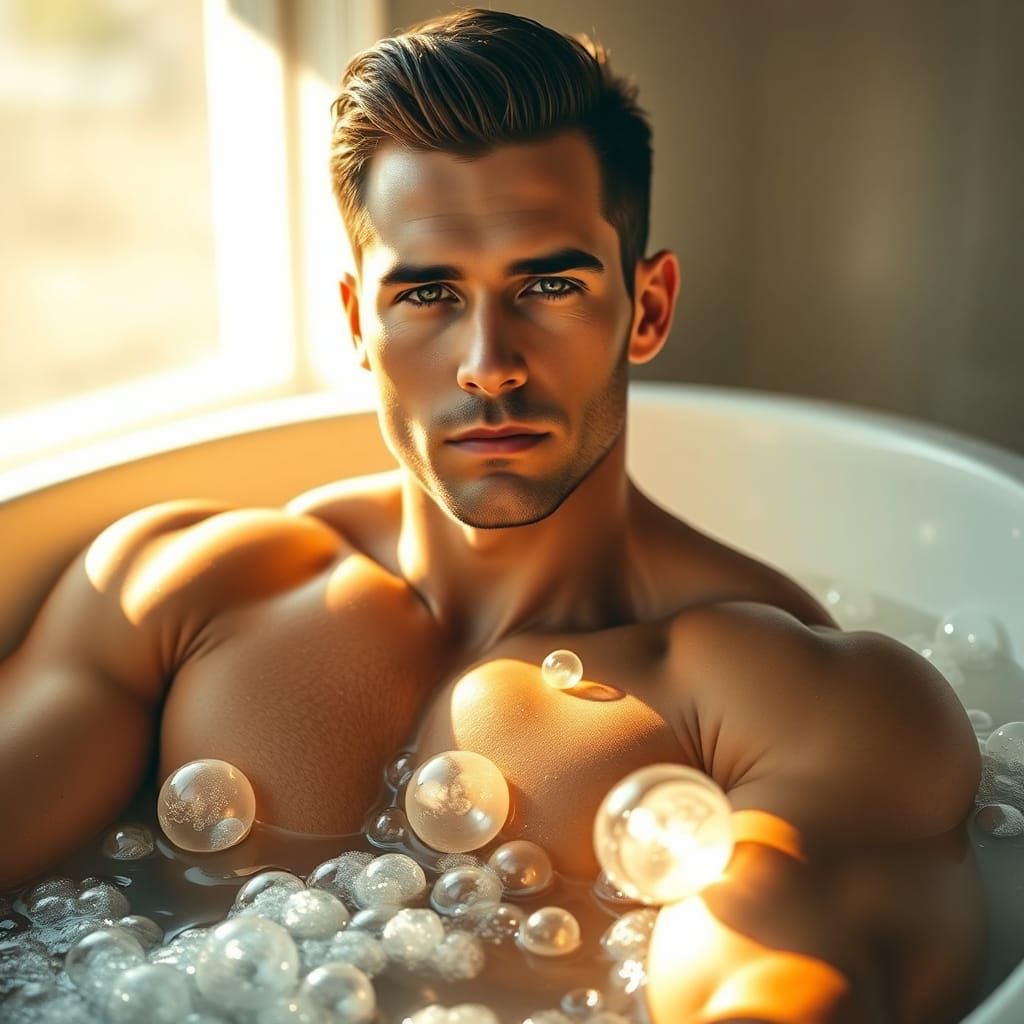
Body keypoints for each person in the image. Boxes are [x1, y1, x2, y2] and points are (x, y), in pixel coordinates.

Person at [0, 8, 984, 1022]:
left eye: (548, 284)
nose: (487, 364)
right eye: (426, 293)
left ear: (644, 308)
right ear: (356, 324)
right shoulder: (182, 594)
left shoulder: (789, 699)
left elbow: (773, 983)